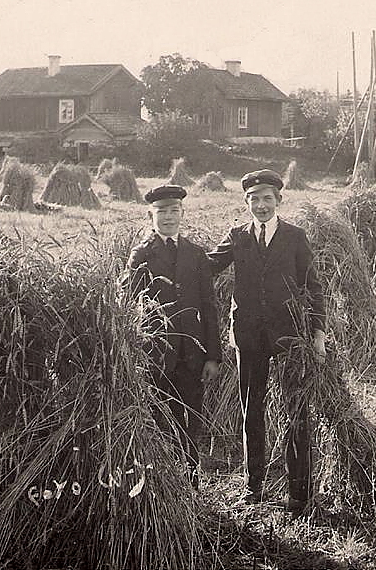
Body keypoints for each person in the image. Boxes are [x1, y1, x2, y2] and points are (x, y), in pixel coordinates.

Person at [207, 169, 326, 516]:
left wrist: (318, 333)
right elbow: (207, 265)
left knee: (296, 412)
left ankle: (299, 493)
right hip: (248, 336)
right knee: (251, 411)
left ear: (279, 201)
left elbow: (313, 287)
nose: (261, 205)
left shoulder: (295, 237)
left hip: (289, 336)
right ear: (246, 203)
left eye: (267, 199)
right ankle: (253, 486)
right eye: (254, 199)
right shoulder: (237, 237)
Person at [122, 184, 221, 487]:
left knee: (190, 418)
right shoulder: (141, 255)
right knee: (158, 418)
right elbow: (128, 304)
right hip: (155, 355)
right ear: (150, 215)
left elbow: (209, 306)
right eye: (161, 211)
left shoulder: (195, 254)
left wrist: (213, 355)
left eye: (173, 210)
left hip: (193, 356)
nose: (168, 217)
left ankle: (191, 480)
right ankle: (161, 484)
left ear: (182, 213)